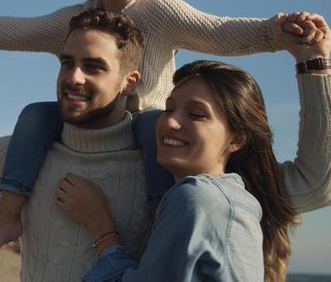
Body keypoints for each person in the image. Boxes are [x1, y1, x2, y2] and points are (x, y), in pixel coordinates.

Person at [0, 0, 325, 264]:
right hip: (95, 119)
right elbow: (16, 30)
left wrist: (279, 32)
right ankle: (8, 216)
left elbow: (220, 32)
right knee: (35, 115)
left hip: (151, 128)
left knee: (150, 122)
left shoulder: (162, 12)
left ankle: (158, 214)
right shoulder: (75, 21)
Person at [0, 9, 331, 281]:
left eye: (93, 66)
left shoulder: (171, 166)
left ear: (129, 82)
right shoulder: (25, 158)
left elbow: (316, 183)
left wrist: (314, 67)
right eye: (67, 62)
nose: (74, 77)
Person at [55, 24, 331, 281]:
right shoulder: (229, 197)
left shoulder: (199, 198)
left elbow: (317, 181)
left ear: (237, 139)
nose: (171, 122)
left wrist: (100, 226)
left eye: (197, 114)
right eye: (169, 108)